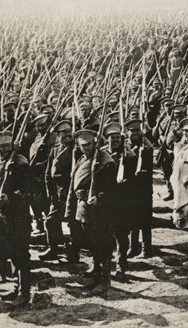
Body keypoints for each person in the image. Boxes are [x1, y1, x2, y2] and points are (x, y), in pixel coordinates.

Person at [65, 129, 116, 295]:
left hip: (102, 211)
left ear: (95, 143)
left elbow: (112, 189)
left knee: (103, 244)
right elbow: (75, 183)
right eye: (82, 145)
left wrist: (98, 197)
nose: (85, 148)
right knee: (92, 242)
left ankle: (105, 281)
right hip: (85, 209)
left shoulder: (105, 161)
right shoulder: (82, 159)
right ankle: (97, 274)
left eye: (88, 144)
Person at [0, 130, 33, 305]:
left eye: (7, 146)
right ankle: (16, 287)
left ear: (12, 145)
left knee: (21, 254)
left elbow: (29, 190)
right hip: (2, 217)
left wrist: (11, 197)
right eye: (1, 147)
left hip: (19, 217)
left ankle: (25, 293)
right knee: (10, 253)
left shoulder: (20, 163)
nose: (4, 149)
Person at [42, 119, 82, 263]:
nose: (67, 134)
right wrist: (51, 192)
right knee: (51, 221)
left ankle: (73, 254)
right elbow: (48, 173)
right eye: (63, 132)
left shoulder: (77, 149)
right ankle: (54, 249)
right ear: (58, 135)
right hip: (58, 193)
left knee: (73, 224)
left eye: (69, 131)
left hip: (72, 192)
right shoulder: (55, 149)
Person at [103, 122, 137, 280]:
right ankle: (103, 265)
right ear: (107, 139)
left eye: (117, 137)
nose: (115, 140)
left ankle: (121, 267)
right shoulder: (102, 153)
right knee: (103, 236)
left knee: (121, 237)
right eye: (112, 138)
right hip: (104, 202)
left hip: (122, 202)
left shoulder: (128, 155)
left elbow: (134, 178)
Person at [125, 119, 155, 258]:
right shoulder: (125, 146)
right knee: (131, 219)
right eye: (132, 130)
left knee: (145, 220)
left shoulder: (146, 146)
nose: (135, 133)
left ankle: (146, 249)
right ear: (127, 132)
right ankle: (133, 247)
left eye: (138, 130)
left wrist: (143, 153)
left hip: (144, 190)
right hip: (129, 189)